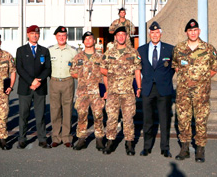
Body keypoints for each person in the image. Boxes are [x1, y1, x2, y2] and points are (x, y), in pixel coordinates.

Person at [172, 19, 217, 163]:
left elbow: (215, 67)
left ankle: (200, 149)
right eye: (190, 31)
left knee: (200, 119)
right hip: (183, 92)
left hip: (201, 92)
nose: (193, 33)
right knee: (183, 119)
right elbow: (175, 65)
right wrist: (186, 79)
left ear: (199, 31)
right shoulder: (179, 48)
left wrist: (202, 79)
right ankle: (185, 148)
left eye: (195, 30)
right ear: (186, 32)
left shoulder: (208, 49)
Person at [100, 27, 142, 155]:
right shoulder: (109, 53)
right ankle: (110, 142)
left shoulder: (133, 52)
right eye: (119, 35)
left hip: (128, 92)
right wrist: (109, 85)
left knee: (128, 118)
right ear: (115, 37)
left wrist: (139, 88)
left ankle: (129, 143)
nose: (121, 37)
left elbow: (137, 70)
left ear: (126, 37)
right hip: (113, 92)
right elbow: (103, 70)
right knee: (112, 117)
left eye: (123, 35)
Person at [137, 22, 175, 158]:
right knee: (147, 120)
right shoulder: (141, 50)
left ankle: (165, 148)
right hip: (148, 89)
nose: (154, 35)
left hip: (163, 89)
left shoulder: (170, 49)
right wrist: (140, 86)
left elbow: (173, 68)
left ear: (161, 34)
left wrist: (164, 79)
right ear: (149, 34)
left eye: (157, 32)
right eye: (152, 33)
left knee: (164, 120)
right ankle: (147, 147)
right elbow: (138, 68)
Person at [15, 25, 52, 149]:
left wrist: (38, 81)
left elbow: (48, 68)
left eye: (37, 34)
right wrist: (32, 81)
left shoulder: (44, 51)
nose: (34, 35)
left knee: (40, 115)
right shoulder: (21, 50)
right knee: (23, 115)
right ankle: (22, 138)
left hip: (40, 87)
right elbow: (20, 68)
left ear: (39, 35)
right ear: (27, 35)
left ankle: (42, 139)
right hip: (26, 87)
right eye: (32, 33)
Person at [70, 31, 106, 151]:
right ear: (83, 42)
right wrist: (83, 77)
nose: (88, 41)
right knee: (81, 114)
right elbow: (72, 72)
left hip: (96, 91)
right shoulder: (78, 57)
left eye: (90, 38)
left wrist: (106, 89)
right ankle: (81, 139)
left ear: (94, 41)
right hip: (82, 91)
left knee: (98, 114)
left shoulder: (100, 57)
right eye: (86, 39)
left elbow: (105, 73)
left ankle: (99, 139)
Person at [48, 26, 77, 148]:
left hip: (68, 81)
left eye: (64, 36)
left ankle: (66, 137)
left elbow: (76, 67)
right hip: (54, 81)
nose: (61, 38)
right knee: (55, 109)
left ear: (66, 37)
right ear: (56, 37)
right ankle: (56, 136)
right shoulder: (50, 50)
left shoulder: (73, 51)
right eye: (59, 35)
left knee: (67, 109)